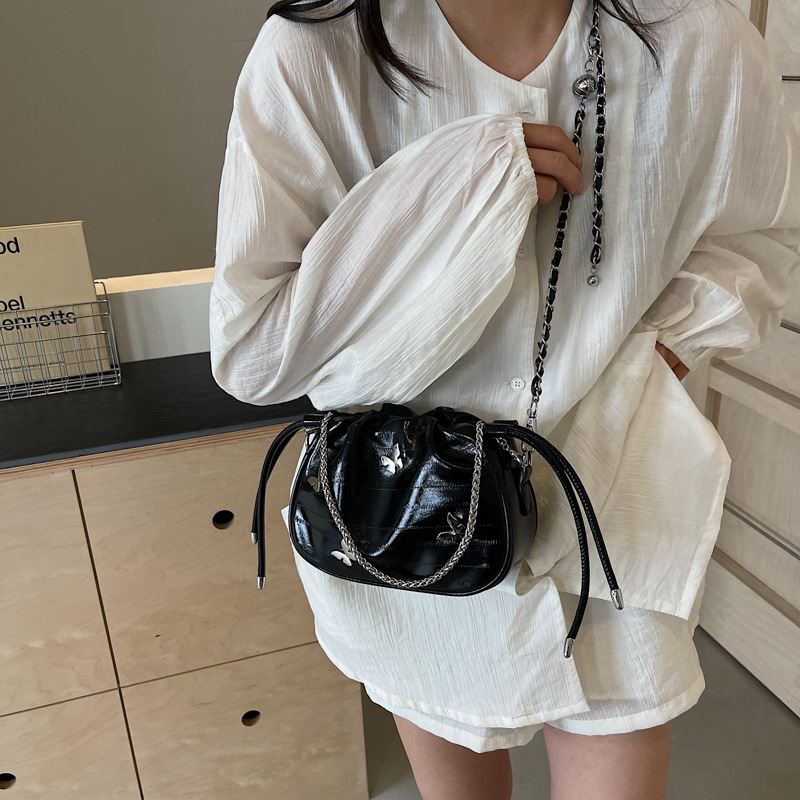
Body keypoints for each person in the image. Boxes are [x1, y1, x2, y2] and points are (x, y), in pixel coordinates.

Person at [208, 0, 800, 797]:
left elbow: (756, 239)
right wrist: (452, 185)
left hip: (611, 498)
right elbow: (254, 350)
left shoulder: (698, 40)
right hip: (405, 517)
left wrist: (656, 359)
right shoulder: (317, 53)